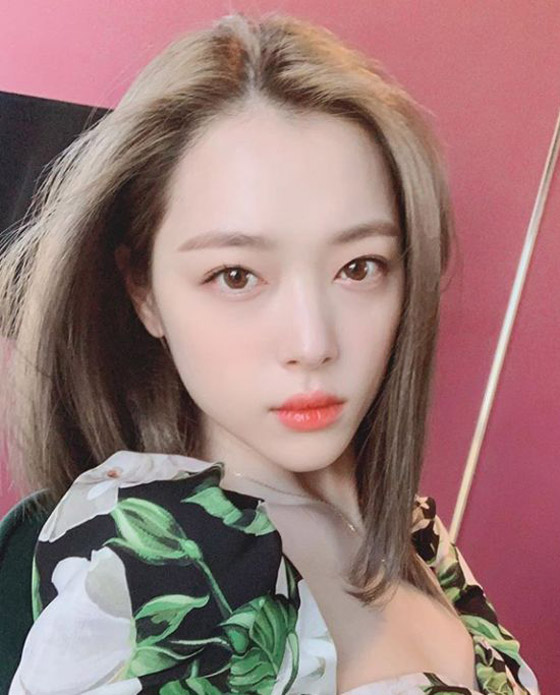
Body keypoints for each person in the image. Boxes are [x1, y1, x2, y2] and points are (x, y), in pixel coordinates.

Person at [0, 10, 540, 695]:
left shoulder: (418, 535)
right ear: (145, 291)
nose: (312, 343)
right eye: (236, 276)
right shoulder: (150, 577)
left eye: (359, 267)